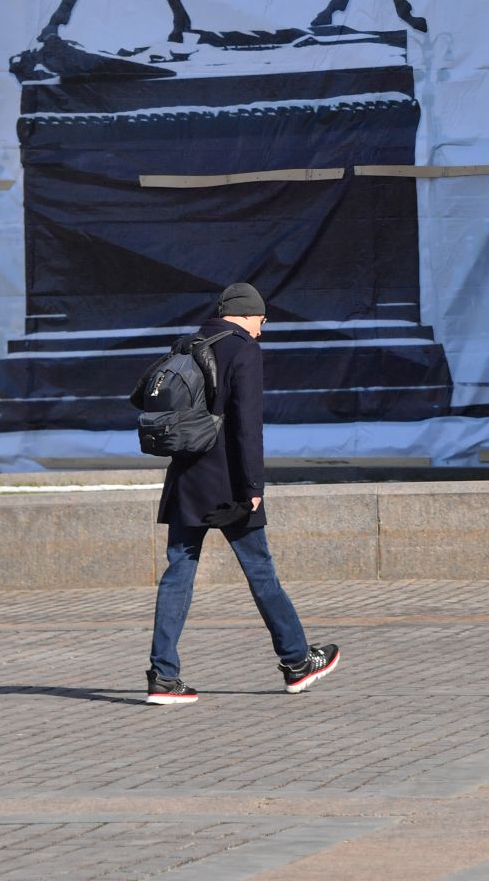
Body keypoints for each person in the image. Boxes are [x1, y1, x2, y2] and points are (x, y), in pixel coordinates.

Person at [145, 281, 341, 705]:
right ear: (249, 314)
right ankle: (297, 662)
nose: (262, 328)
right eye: (262, 320)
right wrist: (253, 487)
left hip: (185, 479)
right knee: (261, 572)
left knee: (178, 572)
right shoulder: (243, 349)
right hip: (229, 484)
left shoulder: (189, 343)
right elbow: (246, 426)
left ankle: (163, 676)